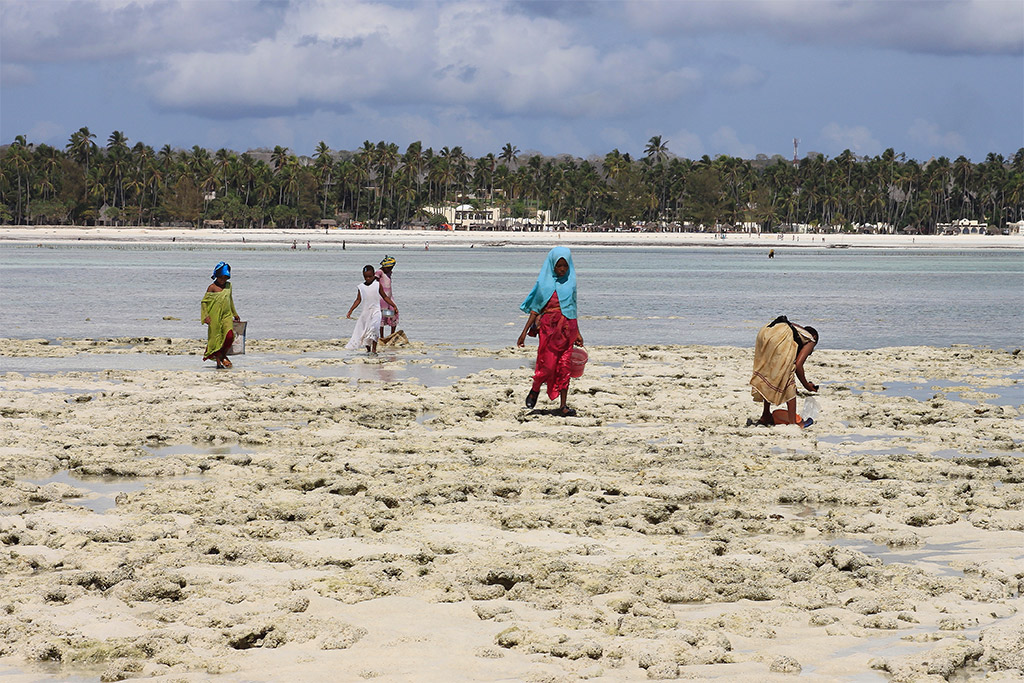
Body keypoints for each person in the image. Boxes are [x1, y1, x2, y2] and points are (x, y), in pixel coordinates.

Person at [517, 247, 584, 416]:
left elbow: (573, 308)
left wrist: (578, 333)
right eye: (558, 266)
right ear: (552, 265)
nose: (562, 270)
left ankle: (563, 406)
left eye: (565, 266)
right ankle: (535, 388)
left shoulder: (571, 283)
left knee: (564, 367)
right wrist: (523, 333)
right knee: (546, 366)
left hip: (568, 330)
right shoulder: (544, 283)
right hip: (548, 331)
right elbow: (535, 309)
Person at [749, 316, 819, 427]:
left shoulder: (795, 333)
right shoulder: (811, 339)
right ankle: (794, 423)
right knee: (788, 380)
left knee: (769, 374)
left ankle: (766, 415)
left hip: (765, 331)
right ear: (814, 337)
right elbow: (798, 366)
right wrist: (807, 386)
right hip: (780, 335)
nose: (811, 351)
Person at [346, 265, 398, 354]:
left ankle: (374, 349)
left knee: (374, 329)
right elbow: (358, 300)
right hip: (366, 312)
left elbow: (385, 296)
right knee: (366, 331)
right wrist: (351, 310)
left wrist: (393, 305)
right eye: (365, 277)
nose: (368, 278)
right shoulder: (361, 287)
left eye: (370, 276)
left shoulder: (377, 285)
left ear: (374, 275)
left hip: (376, 311)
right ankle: (368, 349)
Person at [201, 262, 240, 369]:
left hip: (226, 315)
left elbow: (230, 300)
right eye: (221, 278)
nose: (223, 280)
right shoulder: (212, 288)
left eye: (225, 278)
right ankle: (219, 362)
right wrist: (206, 316)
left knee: (229, 336)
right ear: (217, 276)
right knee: (216, 339)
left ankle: (223, 355)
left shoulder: (228, 286)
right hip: (214, 317)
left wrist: (235, 313)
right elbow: (204, 302)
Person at [375, 256, 399, 338]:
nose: (390, 269)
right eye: (389, 268)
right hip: (382, 298)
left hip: (389, 297)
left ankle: (392, 334)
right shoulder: (379, 272)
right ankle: (381, 336)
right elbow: (374, 281)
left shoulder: (389, 272)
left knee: (393, 313)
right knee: (382, 316)